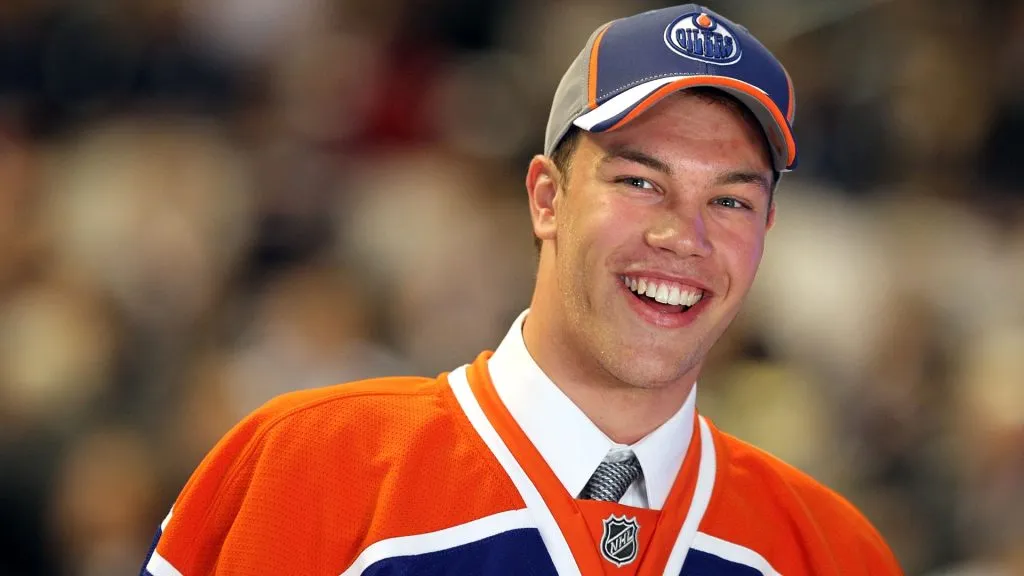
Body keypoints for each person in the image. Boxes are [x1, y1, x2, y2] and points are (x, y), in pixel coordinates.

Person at [141, 4, 903, 575]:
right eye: (640, 181)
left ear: (767, 230)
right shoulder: (307, 469)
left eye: (730, 200)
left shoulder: (832, 550)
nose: (683, 236)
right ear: (546, 198)